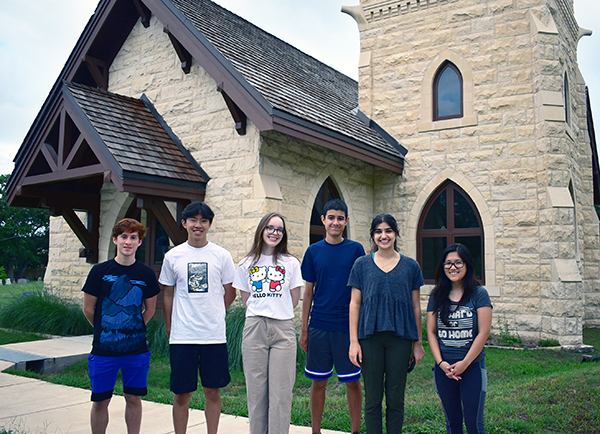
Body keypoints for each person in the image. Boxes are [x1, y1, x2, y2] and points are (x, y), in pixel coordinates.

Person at [159, 202, 236, 434]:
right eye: (193, 220)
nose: (198, 225)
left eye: (203, 221)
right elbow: (168, 293)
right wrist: (170, 325)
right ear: (184, 223)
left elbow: (230, 291)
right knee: (182, 394)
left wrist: (215, 312)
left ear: (210, 224)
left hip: (213, 336)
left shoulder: (221, 255)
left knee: (212, 392)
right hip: (183, 336)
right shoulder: (173, 256)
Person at [348, 213, 425, 434]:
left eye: (388, 231)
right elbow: (355, 304)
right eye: (379, 231)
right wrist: (354, 342)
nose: (384, 235)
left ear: (396, 233)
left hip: (400, 340)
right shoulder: (361, 264)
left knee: (395, 399)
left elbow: (416, 307)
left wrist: (418, 343)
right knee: (372, 399)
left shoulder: (411, 266)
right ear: (373, 236)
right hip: (369, 338)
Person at [82, 218, 160, 434]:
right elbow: (89, 309)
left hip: (136, 351)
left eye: (133, 237)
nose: (128, 241)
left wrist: (132, 327)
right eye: (124, 237)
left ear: (139, 242)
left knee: (133, 398)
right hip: (103, 350)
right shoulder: (99, 271)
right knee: (100, 401)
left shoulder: (146, 274)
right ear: (115, 239)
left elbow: (150, 310)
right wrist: (105, 328)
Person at [233, 212, 303, 434]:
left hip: (283, 329)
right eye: (270, 228)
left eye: (279, 229)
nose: (274, 233)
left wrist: (275, 309)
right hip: (255, 329)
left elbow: (293, 299)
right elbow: (247, 299)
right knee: (256, 392)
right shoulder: (246, 263)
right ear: (262, 230)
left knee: (281, 393)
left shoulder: (291, 263)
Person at [299, 199, 365, 434]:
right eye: (331, 217)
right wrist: (304, 328)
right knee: (318, 382)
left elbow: (361, 290)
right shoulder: (313, 251)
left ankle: (355, 430)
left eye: (340, 218)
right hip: (319, 326)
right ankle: (315, 430)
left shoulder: (356, 250)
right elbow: (308, 293)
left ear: (346, 221)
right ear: (323, 220)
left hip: (347, 328)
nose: (335, 222)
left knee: (352, 381)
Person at [426, 243, 493, 434]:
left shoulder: (479, 294)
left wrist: (464, 363)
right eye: (448, 263)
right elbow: (431, 331)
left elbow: (483, 332)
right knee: (453, 425)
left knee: (474, 425)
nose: (452, 267)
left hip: (472, 368)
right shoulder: (437, 295)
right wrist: (440, 363)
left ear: (467, 265)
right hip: (444, 370)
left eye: (458, 262)